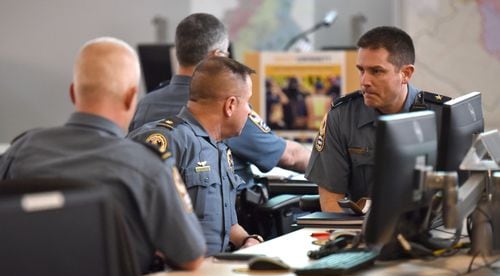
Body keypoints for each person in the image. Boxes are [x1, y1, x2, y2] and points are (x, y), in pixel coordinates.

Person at [0, 37, 206, 273]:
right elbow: (190, 256)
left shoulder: (21, 150)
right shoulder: (147, 166)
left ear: (73, 93)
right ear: (131, 97)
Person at [129, 13, 310, 191]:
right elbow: (290, 157)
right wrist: (331, 164)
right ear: (217, 56)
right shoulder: (226, 106)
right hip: (229, 216)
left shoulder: (145, 104)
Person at [305, 26, 450, 212]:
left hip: (430, 233)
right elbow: (331, 203)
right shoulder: (342, 116)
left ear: (406, 74)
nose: (365, 81)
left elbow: (460, 196)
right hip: (362, 232)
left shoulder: (442, 116)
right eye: (361, 70)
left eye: (376, 71)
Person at [129, 56, 262, 256]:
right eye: (248, 102)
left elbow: (222, 223)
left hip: (218, 266)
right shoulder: (167, 141)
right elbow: (133, 221)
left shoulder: (218, 148)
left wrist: (247, 239)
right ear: (231, 105)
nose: (249, 111)